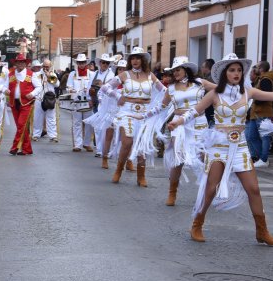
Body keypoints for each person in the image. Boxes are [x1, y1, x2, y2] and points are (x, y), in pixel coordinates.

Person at [168, 53, 273, 245]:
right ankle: (197, 223)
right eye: (232, 70)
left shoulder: (248, 92)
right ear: (224, 73)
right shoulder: (215, 94)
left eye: (239, 70)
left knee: (253, 189)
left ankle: (262, 231)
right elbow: (195, 111)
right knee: (211, 188)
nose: (236, 73)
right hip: (219, 147)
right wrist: (178, 121)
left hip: (240, 147)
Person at [136, 56, 208, 206]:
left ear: (186, 70)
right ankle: (172, 192)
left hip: (199, 123)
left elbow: (220, 91)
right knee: (178, 158)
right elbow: (160, 107)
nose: (175, 73)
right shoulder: (171, 88)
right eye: (173, 71)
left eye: (178, 70)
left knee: (204, 158)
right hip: (179, 125)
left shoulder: (200, 84)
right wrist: (144, 115)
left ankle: (208, 192)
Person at [99, 47, 167, 186]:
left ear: (143, 60)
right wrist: (118, 95)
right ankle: (119, 169)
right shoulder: (125, 75)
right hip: (127, 111)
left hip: (145, 112)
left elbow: (165, 91)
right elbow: (105, 88)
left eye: (138, 58)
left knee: (142, 144)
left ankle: (141, 175)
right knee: (127, 142)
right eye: (133, 58)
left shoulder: (150, 76)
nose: (135, 60)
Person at [6, 54, 42, 155]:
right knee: (21, 127)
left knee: (21, 124)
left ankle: (15, 147)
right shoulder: (11, 74)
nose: (20, 64)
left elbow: (39, 87)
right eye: (18, 62)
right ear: (16, 63)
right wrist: (6, 90)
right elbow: (5, 86)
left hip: (26, 103)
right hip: (14, 103)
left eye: (22, 62)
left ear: (25, 64)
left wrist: (32, 94)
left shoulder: (31, 74)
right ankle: (27, 149)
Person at [246, 61, 273, 168]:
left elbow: (266, 96)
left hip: (262, 113)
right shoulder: (261, 79)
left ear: (261, 69)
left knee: (264, 136)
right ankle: (260, 158)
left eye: (257, 67)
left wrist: (255, 99)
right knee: (251, 136)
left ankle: (264, 159)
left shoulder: (266, 80)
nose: (255, 69)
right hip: (256, 113)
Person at [88, 54, 116, 155]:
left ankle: (104, 149)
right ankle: (99, 150)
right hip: (95, 101)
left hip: (106, 103)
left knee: (104, 127)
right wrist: (89, 99)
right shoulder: (94, 74)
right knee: (97, 126)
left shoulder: (111, 75)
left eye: (107, 63)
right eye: (103, 62)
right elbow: (88, 87)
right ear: (100, 63)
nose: (105, 64)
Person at [67, 54, 93, 152]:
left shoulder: (91, 74)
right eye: (79, 62)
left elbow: (93, 87)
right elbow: (68, 86)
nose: (81, 64)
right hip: (76, 101)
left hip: (87, 101)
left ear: (86, 63)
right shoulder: (72, 74)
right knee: (77, 122)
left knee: (88, 123)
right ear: (77, 63)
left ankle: (86, 143)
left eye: (83, 62)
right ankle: (77, 144)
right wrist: (72, 90)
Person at [32, 59, 59, 142]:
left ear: (50, 67)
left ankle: (53, 135)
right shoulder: (36, 74)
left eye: (47, 67)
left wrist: (49, 76)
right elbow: (35, 84)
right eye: (44, 66)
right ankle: (36, 134)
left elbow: (57, 84)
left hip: (49, 99)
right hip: (39, 98)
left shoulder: (52, 74)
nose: (45, 68)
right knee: (38, 118)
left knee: (51, 118)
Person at [201, 58, 216, 127]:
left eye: (202, 67)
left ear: (207, 68)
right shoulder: (210, 77)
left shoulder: (210, 79)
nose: (201, 69)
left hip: (210, 108)